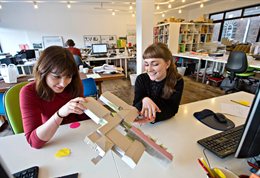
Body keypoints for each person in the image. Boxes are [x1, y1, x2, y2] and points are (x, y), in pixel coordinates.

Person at [20, 46, 89, 149]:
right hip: (52, 139)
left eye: (68, 76)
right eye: (56, 76)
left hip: (76, 137)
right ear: (42, 71)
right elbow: (33, 142)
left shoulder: (74, 84)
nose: (63, 83)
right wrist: (60, 114)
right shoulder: (29, 92)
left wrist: (93, 108)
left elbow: (82, 117)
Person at [133, 43, 184, 123]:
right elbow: (135, 106)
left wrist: (153, 118)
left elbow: (172, 109)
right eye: (146, 64)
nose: (149, 69)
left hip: (165, 125)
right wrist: (144, 100)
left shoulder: (177, 81)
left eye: (155, 64)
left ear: (167, 64)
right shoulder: (141, 79)